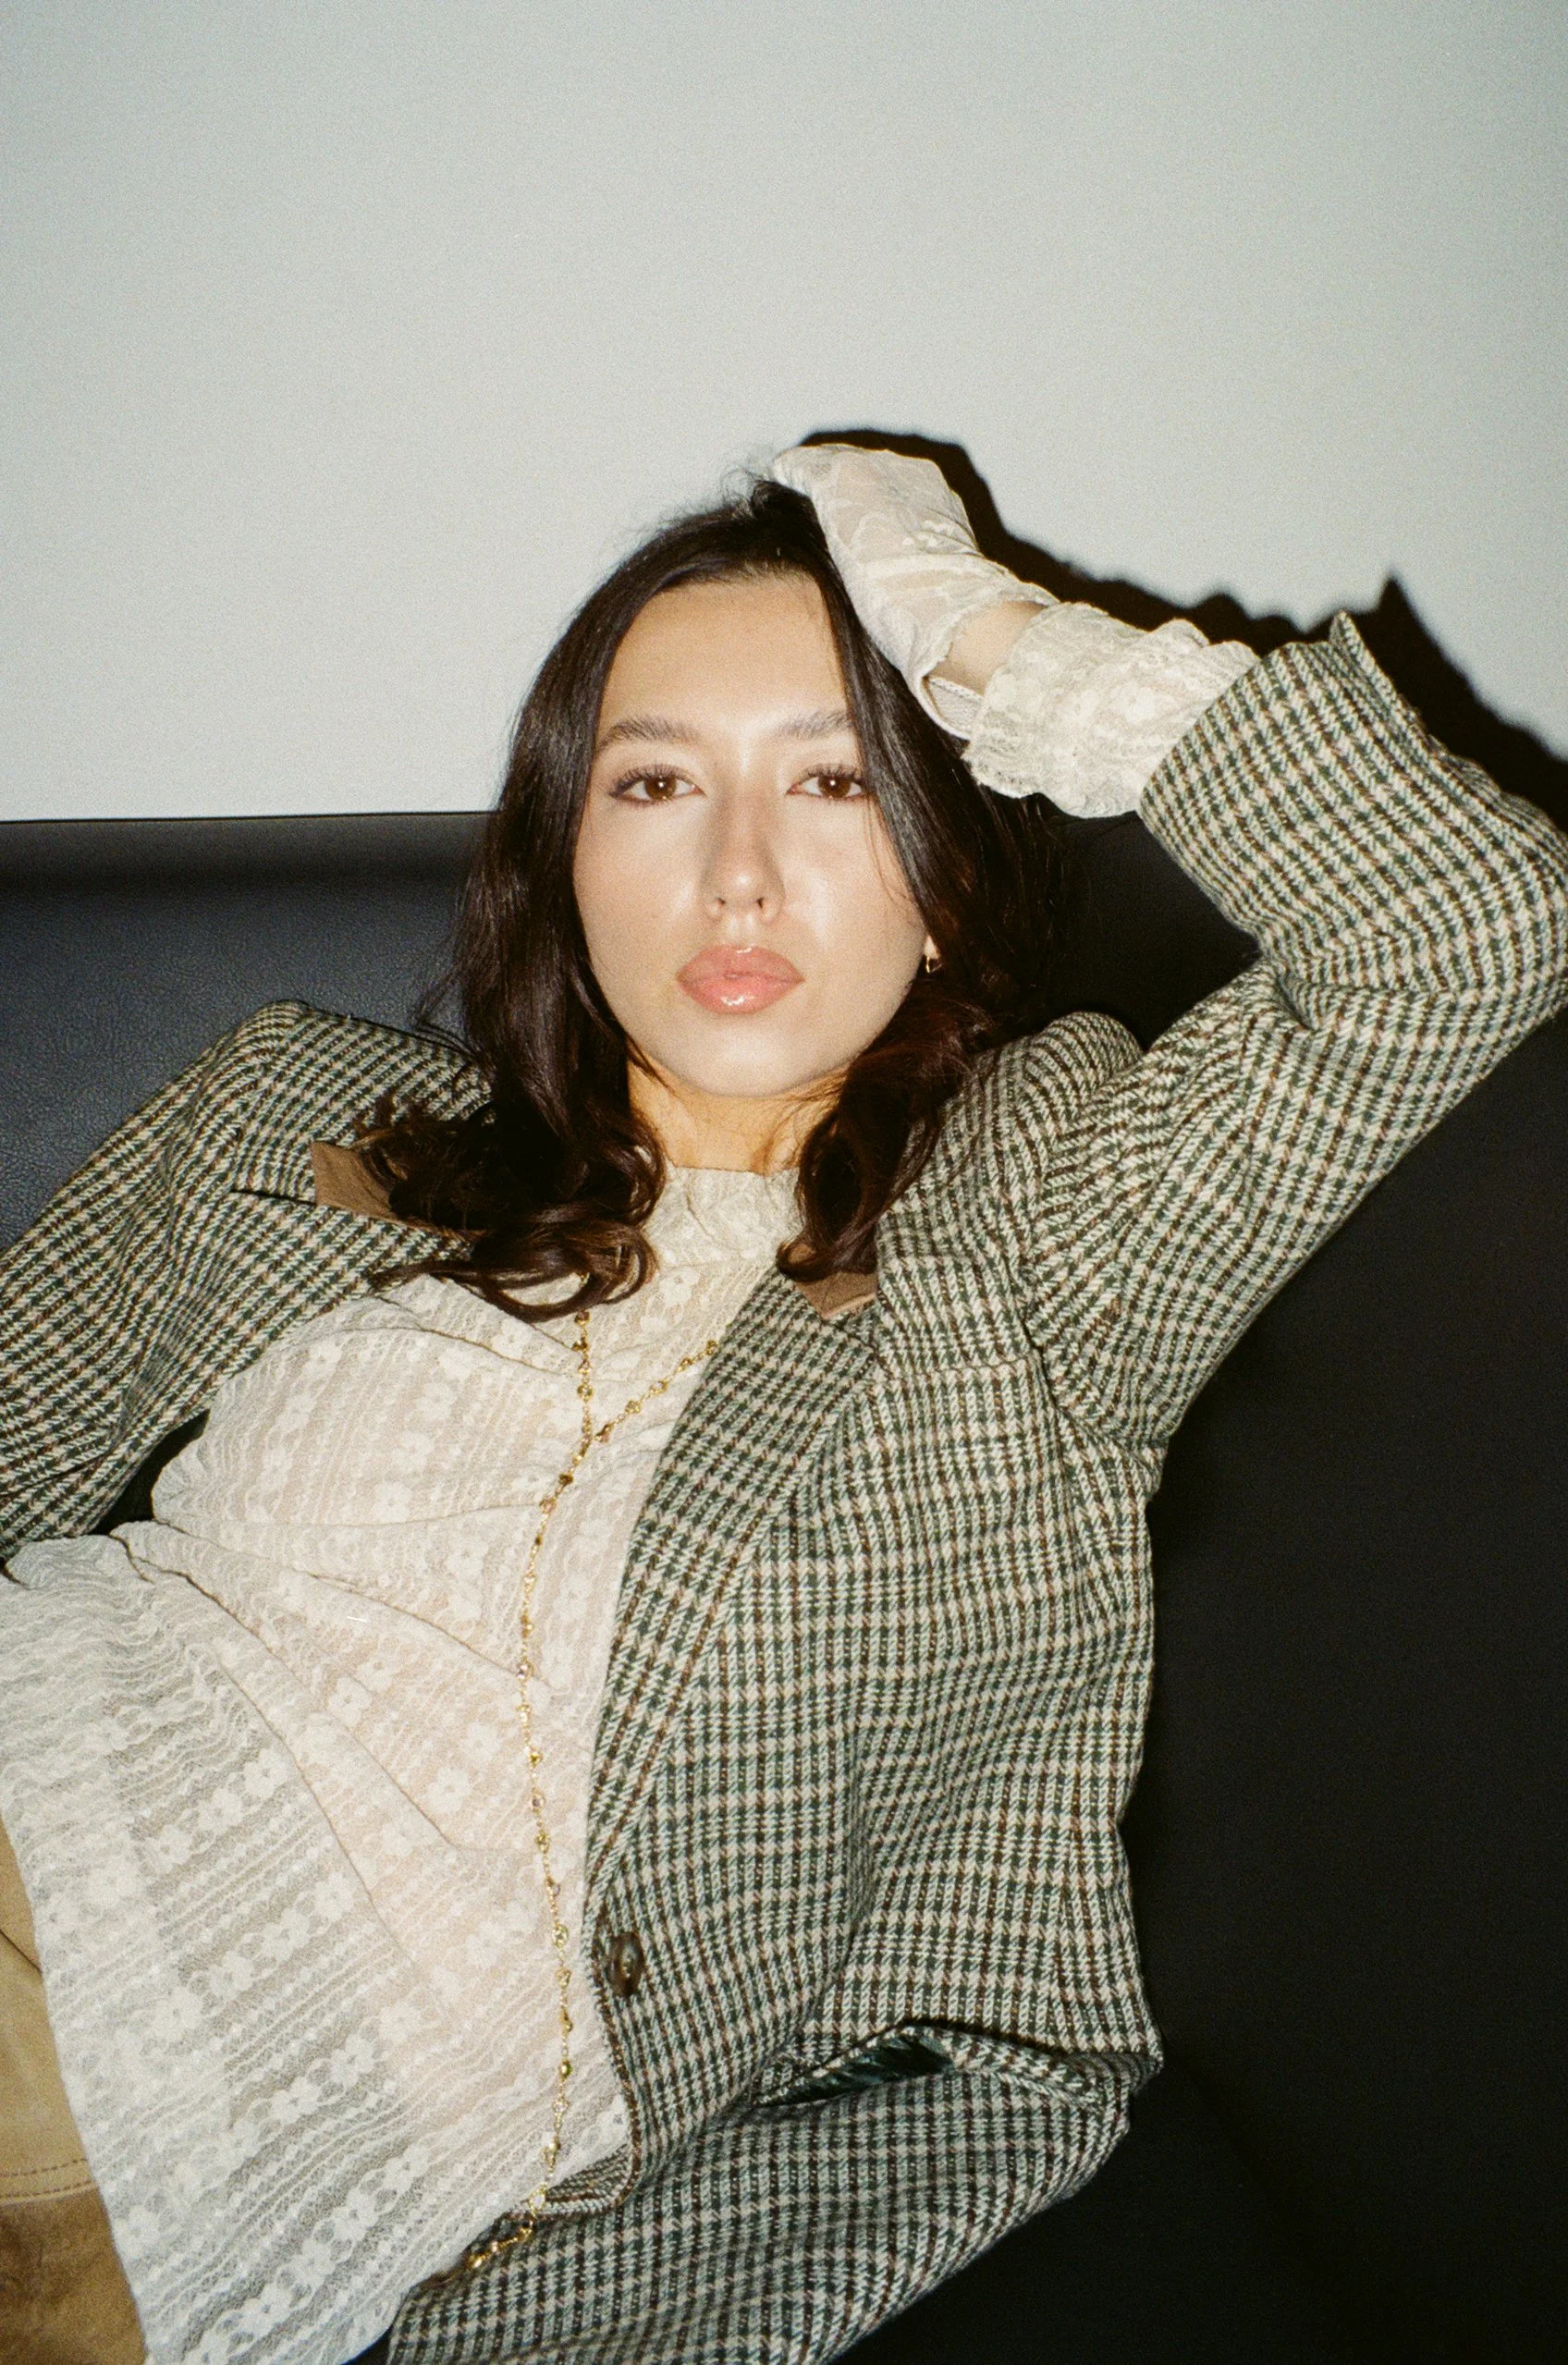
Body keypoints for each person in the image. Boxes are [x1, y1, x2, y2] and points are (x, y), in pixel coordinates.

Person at [2, 444, 1565, 2365]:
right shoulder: (291, 1118)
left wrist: (972, 623)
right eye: (653, 783)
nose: (735, 869)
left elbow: (1463, 921)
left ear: (944, 868)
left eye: (834, 781)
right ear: (565, 864)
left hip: (198, 2146)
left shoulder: (1034, 1223)